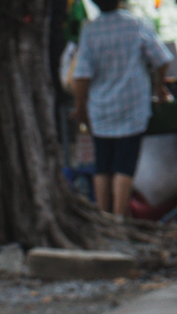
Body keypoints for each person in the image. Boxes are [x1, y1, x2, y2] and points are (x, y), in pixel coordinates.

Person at [72, 0, 172, 217]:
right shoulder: (136, 24)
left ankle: (104, 217)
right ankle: (118, 219)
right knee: (124, 166)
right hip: (132, 108)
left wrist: (80, 108)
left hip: (101, 111)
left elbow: (80, 76)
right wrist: (159, 87)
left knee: (102, 165)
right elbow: (162, 58)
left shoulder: (90, 31)